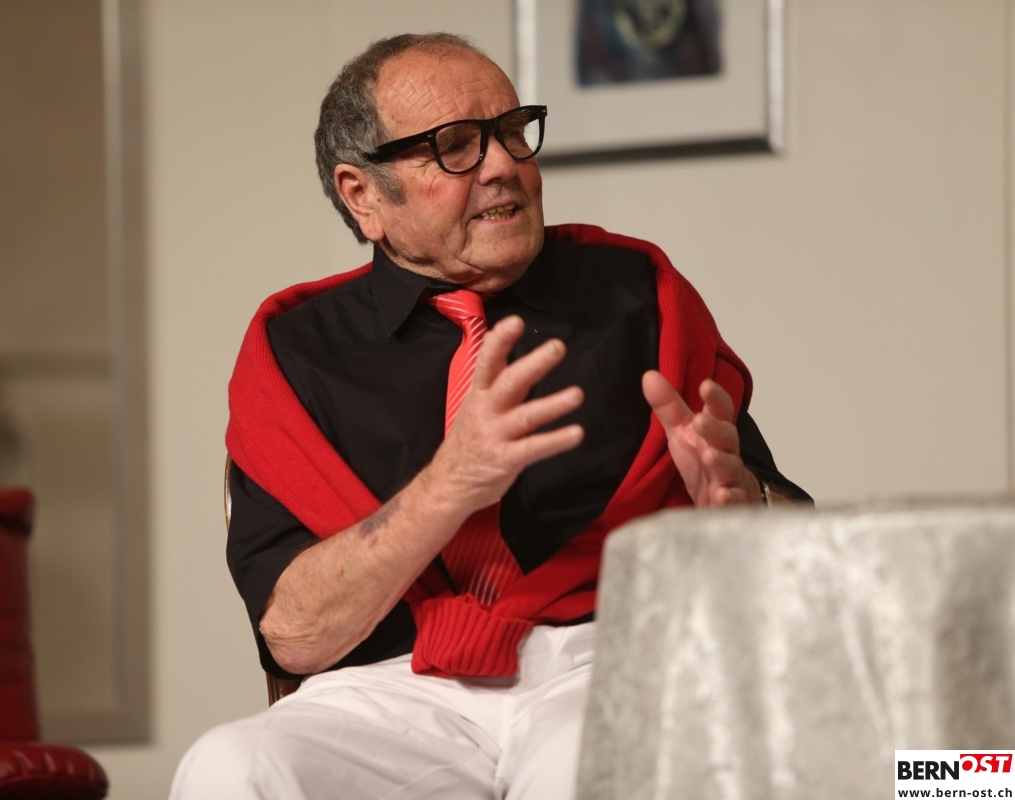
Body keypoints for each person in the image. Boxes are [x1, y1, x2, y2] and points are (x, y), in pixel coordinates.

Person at [171, 32, 809, 800]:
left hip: (602, 659)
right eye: (455, 146)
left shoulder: (634, 292)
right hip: (390, 687)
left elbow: (787, 533)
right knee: (229, 766)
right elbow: (294, 635)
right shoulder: (297, 348)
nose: (504, 164)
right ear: (363, 195)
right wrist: (450, 486)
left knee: (596, 766)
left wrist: (744, 513)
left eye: (512, 131)